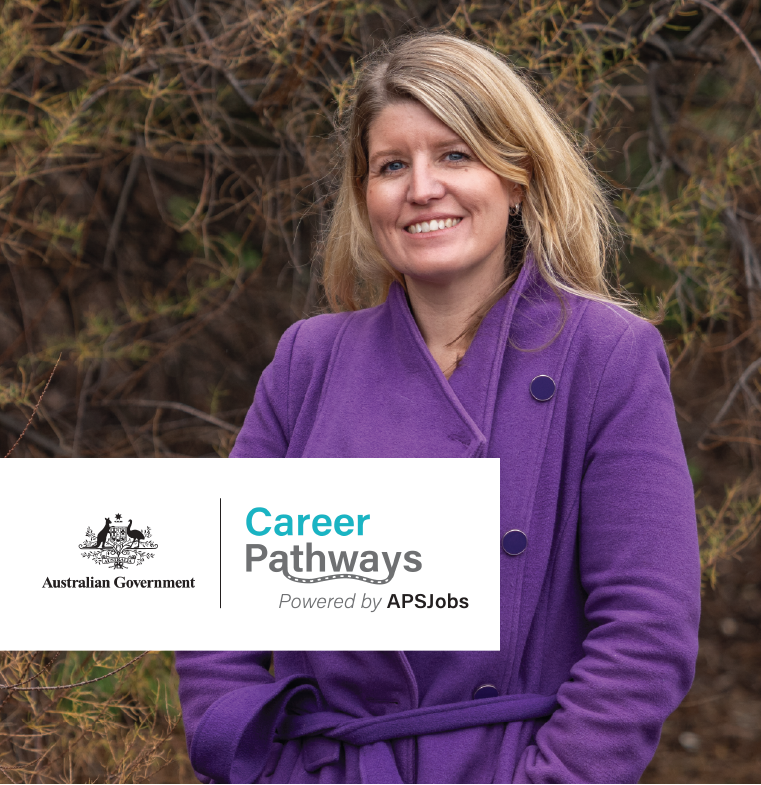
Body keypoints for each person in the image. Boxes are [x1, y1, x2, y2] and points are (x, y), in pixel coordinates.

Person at [176, 32, 701, 784]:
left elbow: (646, 632)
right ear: (366, 196)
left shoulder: (605, 355)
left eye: (455, 155)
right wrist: (261, 768)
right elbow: (219, 598)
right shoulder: (309, 360)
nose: (422, 188)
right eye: (392, 165)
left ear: (516, 178)